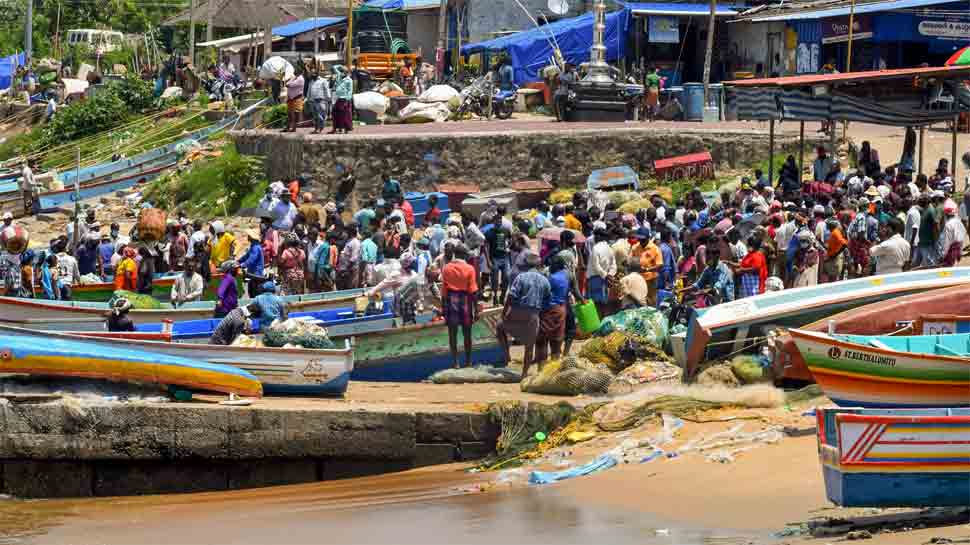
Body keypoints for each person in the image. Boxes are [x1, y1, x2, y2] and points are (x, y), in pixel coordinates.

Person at [497, 252, 550, 379]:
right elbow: (547, 301)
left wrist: (504, 313)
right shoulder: (544, 280)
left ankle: (507, 356)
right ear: (539, 266)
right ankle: (525, 374)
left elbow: (511, 296)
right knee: (529, 346)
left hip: (517, 310)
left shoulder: (521, 277)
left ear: (526, 265)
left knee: (500, 327)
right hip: (534, 314)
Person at [441, 244, 478, 368]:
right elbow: (473, 291)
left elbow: (444, 291)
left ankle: (455, 362)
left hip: (451, 300)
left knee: (452, 334)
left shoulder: (446, 268)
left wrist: (443, 308)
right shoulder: (470, 269)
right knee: (467, 333)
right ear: (463, 255)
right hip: (466, 300)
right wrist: (476, 310)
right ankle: (468, 361)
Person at [535, 256, 569, 364]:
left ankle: (541, 370)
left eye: (551, 265)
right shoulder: (565, 276)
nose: (549, 267)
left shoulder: (551, 278)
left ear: (555, 266)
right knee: (556, 340)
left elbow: (542, 293)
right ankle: (554, 368)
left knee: (542, 340)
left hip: (549, 311)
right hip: (561, 309)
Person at [587, 227, 617, 314]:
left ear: (599, 237)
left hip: (595, 278)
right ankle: (602, 320)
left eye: (595, 236)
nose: (594, 238)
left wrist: (606, 276)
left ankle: (598, 324)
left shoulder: (595, 248)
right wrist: (610, 275)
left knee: (596, 304)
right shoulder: (609, 248)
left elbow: (596, 266)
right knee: (604, 303)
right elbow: (613, 265)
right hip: (606, 279)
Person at [485, 216, 512, 305]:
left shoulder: (506, 230)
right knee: (495, 279)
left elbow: (511, 240)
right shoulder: (489, 233)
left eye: (500, 221)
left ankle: (503, 296)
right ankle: (495, 296)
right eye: (497, 221)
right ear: (493, 222)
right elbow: (486, 247)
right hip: (494, 258)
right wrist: (488, 260)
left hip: (505, 257)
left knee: (507, 277)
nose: (499, 222)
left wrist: (508, 247)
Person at [939, 199, 968, 267]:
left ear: (946, 214)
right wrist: (960, 251)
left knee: (948, 272)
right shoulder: (959, 222)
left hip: (950, 253)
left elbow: (946, 242)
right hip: (958, 250)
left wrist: (943, 255)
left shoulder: (948, 225)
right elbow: (963, 236)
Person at [331, 65, 354, 134]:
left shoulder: (349, 80)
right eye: (341, 71)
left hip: (345, 99)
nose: (341, 73)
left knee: (345, 115)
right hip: (338, 98)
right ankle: (337, 128)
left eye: (343, 71)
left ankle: (346, 129)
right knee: (335, 113)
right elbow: (334, 67)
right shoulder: (339, 76)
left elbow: (350, 91)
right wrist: (341, 66)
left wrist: (347, 100)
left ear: (346, 73)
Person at [823, 217, 847, 282]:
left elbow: (844, 244)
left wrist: (835, 255)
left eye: (827, 224)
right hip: (832, 259)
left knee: (833, 279)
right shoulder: (833, 232)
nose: (826, 226)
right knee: (831, 279)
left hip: (835, 260)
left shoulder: (835, 233)